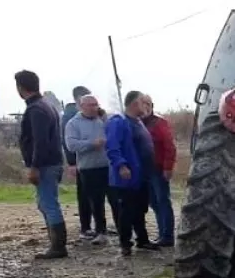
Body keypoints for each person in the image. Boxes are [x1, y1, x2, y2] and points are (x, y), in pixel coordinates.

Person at [15, 70, 68, 259]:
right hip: (51, 162)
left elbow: (40, 141)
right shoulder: (46, 106)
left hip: (45, 165)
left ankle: (58, 246)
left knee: (49, 203)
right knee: (45, 203)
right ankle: (55, 244)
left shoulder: (36, 109)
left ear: (21, 88)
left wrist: (34, 166)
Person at [105, 91, 160, 256]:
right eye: (144, 103)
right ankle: (125, 243)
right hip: (128, 175)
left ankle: (142, 240)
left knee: (140, 208)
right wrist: (121, 166)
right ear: (135, 104)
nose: (147, 106)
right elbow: (113, 147)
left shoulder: (138, 122)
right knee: (127, 210)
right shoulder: (119, 122)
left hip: (143, 174)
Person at [64, 94, 110, 244]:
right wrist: (92, 144)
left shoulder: (102, 120)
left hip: (106, 165)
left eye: (96, 104)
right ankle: (97, 230)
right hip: (88, 167)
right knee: (94, 200)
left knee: (112, 199)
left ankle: (104, 228)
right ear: (81, 106)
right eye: (90, 105)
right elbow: (71, 145)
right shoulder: (73, 124)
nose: (94, 108)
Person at [140, 94, 177, 246]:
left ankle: (167, 236)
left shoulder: (159, 122)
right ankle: (162, 233)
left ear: (151, 105)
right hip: (144, 169)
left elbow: (170, 146)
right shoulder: (136, 123)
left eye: (147, 104)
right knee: (153, 202)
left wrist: (168, 167)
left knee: (163, 200)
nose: (145, 107)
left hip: (158, 168)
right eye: (142, 104)